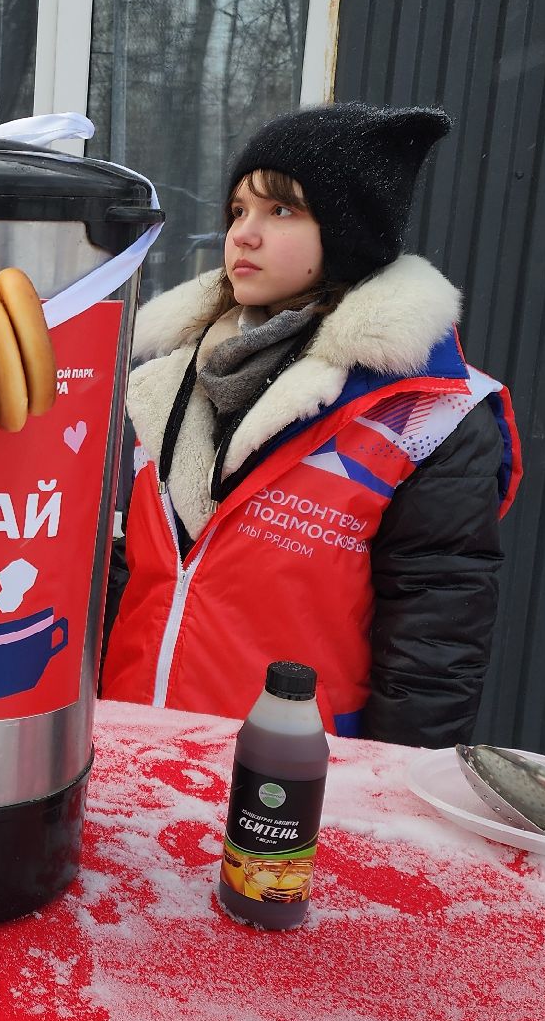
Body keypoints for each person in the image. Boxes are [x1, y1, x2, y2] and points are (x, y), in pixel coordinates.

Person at [101, 103, 522, 746]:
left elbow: (434, 640)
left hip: (290, 774)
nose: (243, 233)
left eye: (281, 210)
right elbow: (132, 573)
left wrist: (383, 789)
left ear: (349, 231)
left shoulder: (426, 412)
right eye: (238, 211)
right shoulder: (164, 384)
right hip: (132, 743)